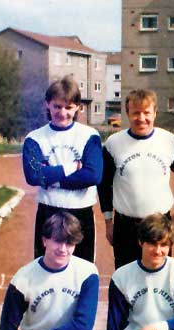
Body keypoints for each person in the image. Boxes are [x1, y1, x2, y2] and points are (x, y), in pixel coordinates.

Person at [99, 89, 174, 269]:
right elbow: (104, 184)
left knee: (159, 277)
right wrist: (109, 222)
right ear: (128, 113)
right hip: (125, 225)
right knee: (126, 279)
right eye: (136, 113)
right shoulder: (113, 144)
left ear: (155, 113)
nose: (141, 118)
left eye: (146, 112)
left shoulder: (170, 142)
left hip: (159, 223)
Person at [22, 76, 103, 264]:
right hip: (49, 210)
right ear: (47, 105)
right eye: (57, 106)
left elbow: (93, 175)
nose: (62, 112)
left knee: (82, 269)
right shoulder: (35, 138)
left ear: (77, 107)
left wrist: (51, 177)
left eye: (68, 107)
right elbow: (34, 175)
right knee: (46, 267)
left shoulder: (89, 135)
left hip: (80, 211)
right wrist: (73, 167)